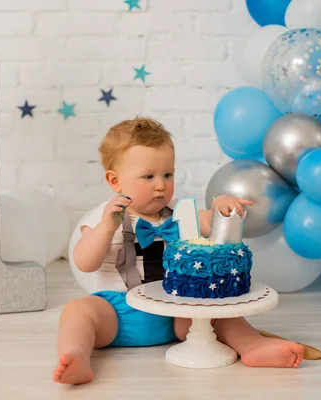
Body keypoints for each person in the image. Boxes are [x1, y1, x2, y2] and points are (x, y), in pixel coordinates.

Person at [53, 117, 304, 385]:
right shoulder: (104, 218)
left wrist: (221, 205)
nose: (160, 184)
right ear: (115, 182)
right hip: (119, 313)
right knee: (78, 310)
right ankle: (76, 356)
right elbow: (84, 262)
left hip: (177, 312)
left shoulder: (180, 212)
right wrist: (105, 230)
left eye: (167, 174)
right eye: (148, 176)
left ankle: (253, 347)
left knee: (221, 314)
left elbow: (212, 222)